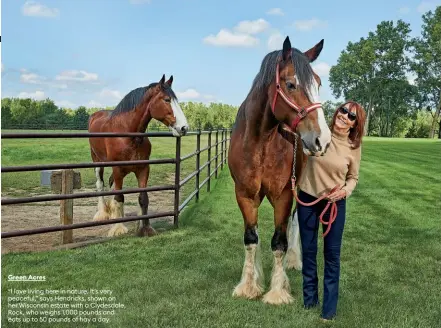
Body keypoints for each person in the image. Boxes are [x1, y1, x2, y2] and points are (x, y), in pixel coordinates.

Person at [297, 100, 366, 322]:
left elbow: (353, 177)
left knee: (331, 256)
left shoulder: (353, 148)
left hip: (333, 203)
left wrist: (345, 191)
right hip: (307, 196)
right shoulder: (320, 132)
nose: (344, 115)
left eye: (351, 116)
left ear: (355, 124)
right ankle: (309, 301)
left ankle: (328, 310)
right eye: (343, 110)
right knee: (308, 251)